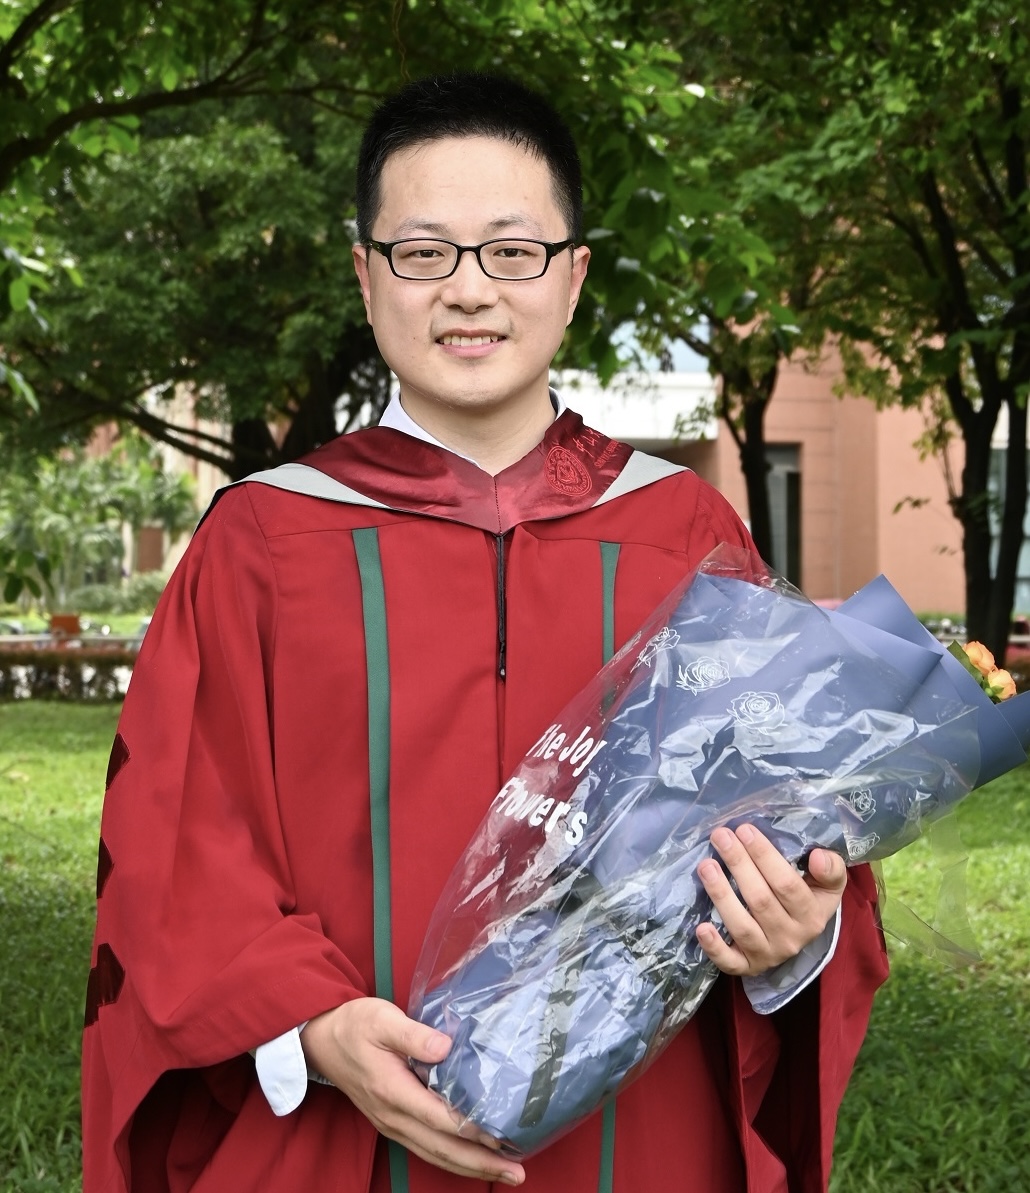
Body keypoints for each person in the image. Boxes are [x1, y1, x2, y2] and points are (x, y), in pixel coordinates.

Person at [82, 72, 888, 1193]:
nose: (469, 290)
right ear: (366, 276)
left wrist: (795, 927)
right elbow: (176, 856)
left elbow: (788, 814)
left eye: (512, 251)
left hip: (640, 1142)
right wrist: (311, 1025)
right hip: (335, 1146)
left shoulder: (685, 534)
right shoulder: (260, 541)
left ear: (573, 277)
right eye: (423, 252)